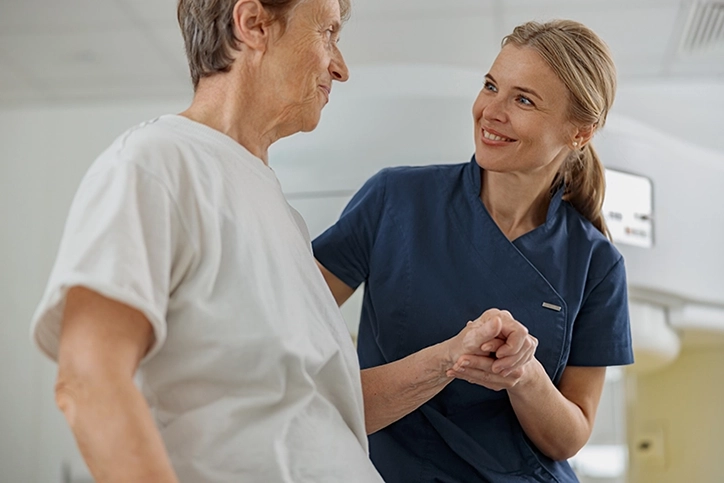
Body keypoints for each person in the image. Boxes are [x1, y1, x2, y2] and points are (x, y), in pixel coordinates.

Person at [29, 0, 387, 481]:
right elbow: (88, 379)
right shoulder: (157, 162)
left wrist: (450, 360)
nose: (339, 67)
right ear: (254, 24)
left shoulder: (282, 214)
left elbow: (310, 405)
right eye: (327, 33)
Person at [313, 19, 634, 482]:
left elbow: (570, 435)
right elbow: (288, 331)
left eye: (523, 100)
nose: (491, 111)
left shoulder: (597, 263)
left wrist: (523, 374)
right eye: (490, 86)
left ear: (579, 133)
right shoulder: (395, 200)